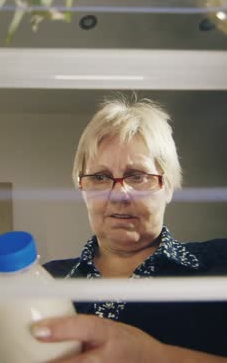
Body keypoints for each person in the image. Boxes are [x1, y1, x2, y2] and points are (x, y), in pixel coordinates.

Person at [38, 95, 227, 361]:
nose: (118, 195)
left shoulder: (220, 263)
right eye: (100, 177)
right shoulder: (46, 281)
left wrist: (155, 356)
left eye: (137, 176)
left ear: (168, 186)